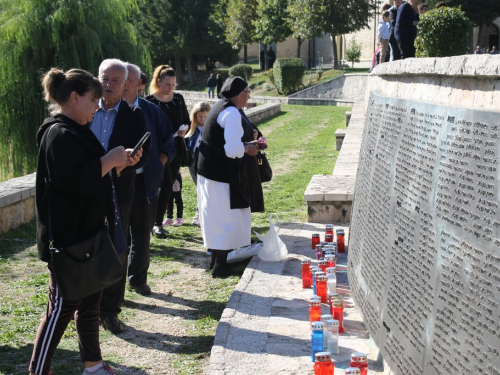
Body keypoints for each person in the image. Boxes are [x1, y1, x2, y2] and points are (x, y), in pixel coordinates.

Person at [30, 68, 139, 375]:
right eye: (93, 99)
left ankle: (93, 365)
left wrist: (117, 163)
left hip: (88, 233)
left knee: (91, 303)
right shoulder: (58, 133)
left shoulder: (77, 128)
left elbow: (91, 172)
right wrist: (110, 160)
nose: (97, 106)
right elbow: (75, 179)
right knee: (61, 308)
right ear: (74, 98)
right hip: (68, 239)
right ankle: (38, 370)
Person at [89, 58, 150, 334]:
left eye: (115, 81)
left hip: (118, 191)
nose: (108, 85)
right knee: (86, 244)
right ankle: (85, 305)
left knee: (116, 247)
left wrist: (132, 159)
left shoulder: (134, 114)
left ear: (126, 84)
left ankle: (110, 310)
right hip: (86, 190)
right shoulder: (86, 109)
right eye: (104, 79)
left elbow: (143, 154)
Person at [197, 76, 260, 277]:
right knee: (225, 218)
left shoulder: (220, 106)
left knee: (216, 218)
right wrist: (249, 148)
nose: (249, 95)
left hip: (209, 171)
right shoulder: (231, 113)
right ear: (236, 94)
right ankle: (219, 267)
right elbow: (233, 149)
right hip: (220, 174)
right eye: (246, 91)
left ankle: (216, 261)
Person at [122, 63, 176, 297]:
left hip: (145, 183)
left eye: (128, 81)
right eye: (117, 80)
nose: (123, 85)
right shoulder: (102, 112)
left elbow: (168, 144)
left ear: (140, 84)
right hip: (115, 183)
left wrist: (159, 163)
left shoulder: (151, 111)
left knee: (142, 233)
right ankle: (113, 284)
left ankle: (138, 278)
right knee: (117, 235)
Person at [146, 65, 190, 239]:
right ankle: (151, 222)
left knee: (169, 185)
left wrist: (184, 129)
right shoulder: (149, 101)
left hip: (176, 149)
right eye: (167, 84)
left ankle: (158, 222)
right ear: (158, 82)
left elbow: (186, 120)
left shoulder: (178, 99)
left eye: (173, 84)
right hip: (157, 151)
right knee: (159, 185)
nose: (170, 88)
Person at [185, 101, 211, 225]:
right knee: (199, 186)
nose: (203, 119)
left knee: (206, 187)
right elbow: (189, 145)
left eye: (206, 116)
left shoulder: (211, 127)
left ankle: (201, 213)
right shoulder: (191, 128)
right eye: (200, 116)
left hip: (207, 159)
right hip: (194, 159)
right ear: (195, 116)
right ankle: (200, 212)